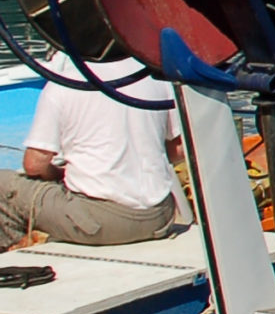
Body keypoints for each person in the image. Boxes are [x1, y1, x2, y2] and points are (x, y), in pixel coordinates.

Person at [0, 60, 185, 248]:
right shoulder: (152, 76)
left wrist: (57, 174)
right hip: (160, 217)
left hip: (101, 222)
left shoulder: (65, 83)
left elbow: (33, 165)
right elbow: (178, 150)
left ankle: (15, 255)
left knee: (3, 184)